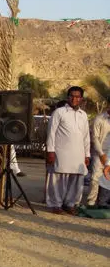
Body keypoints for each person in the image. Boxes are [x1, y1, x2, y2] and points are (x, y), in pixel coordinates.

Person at [46, 87, 90, 215]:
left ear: (81, 99)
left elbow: (86, 136)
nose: (74, 99)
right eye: (72, 96)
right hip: (61, 153)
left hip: (78, 153)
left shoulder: (83, 115)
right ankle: (56, 204)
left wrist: (87, 154)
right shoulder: (59, 112)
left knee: (75, 180)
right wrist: (50, 151)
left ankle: (70, 204)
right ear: (67, 97)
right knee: (59, 179)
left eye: (77, 96)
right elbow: (51, 133)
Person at [88, 104, 110, 208]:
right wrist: (101, 154)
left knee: (107, 180)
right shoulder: (99, 119)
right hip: (99, 153)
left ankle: (103, 203)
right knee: (95, 178)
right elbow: (95, 138)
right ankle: (91, 203)